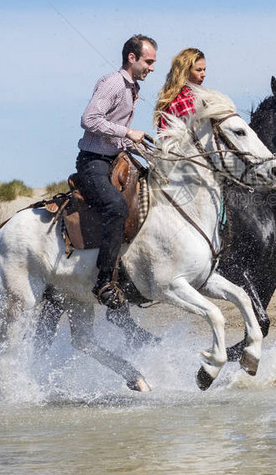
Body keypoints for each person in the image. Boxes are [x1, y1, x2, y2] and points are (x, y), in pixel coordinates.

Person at [76, 34, 157, 308]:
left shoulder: (132, 88)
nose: (152, 68)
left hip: (113, 159)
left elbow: (115, 135)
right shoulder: (113, 82)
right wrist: (127, 132)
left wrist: (140, 148)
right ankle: (104, 282)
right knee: (116, 207)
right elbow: (89, 119)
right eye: (148, 61)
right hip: (93, 162)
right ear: (132, 58)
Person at [153, 48, 206, 131]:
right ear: (185, 71)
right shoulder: (177, 101)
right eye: (199, 70)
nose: (203, 74)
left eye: (204, 69)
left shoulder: (205, 97)